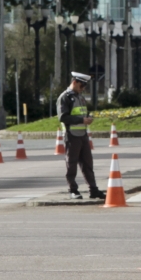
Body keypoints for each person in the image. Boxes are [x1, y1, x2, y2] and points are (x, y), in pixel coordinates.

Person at [56, 72, 103, 200]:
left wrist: (88, 118)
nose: (83, 89)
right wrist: (82, 120)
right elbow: (63, 117)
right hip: (71, 135)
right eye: (81, 86)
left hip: (82, 134)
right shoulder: (65, 97)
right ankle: (73, 190)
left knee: (88, 164)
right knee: (71, 164)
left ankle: (93, 189)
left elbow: (83, 112)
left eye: (84, 87)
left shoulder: (80, 97)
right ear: (74, 82)